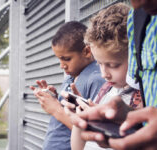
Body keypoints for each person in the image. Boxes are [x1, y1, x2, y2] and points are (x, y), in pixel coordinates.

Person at [68, 0, 157, 150]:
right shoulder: (139, 21)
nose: (137, 5)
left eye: (113, 65)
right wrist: (128, 116)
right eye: (99, 63)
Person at [61, 3, 142, 150]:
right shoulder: (106, 90)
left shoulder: (144, 99)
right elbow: (77, 147)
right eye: (99, 64)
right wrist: (81, 120)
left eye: (113, 65)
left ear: (136, 57)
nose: (104, 74)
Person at [30, 21, 105, 150]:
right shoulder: (71, 76)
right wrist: (54, 98)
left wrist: (55, 109)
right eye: (59, 59)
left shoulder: (96, 79)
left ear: (87, 51)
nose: (61, 65)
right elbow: (71, 111)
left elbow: (91, 132)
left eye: (67, 59)